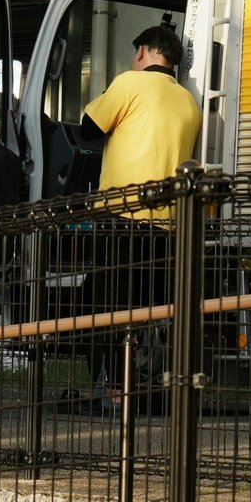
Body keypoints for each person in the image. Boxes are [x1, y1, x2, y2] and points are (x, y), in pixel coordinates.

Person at [77, 24, 201, 410]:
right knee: (148, 309)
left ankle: (114, 390)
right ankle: (142, 387)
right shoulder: (189, 103)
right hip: (168, 224)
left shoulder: (130, 83)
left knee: (107, 304)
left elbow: (86, 131)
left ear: (145, 51)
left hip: (121, 215)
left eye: (136, 53)